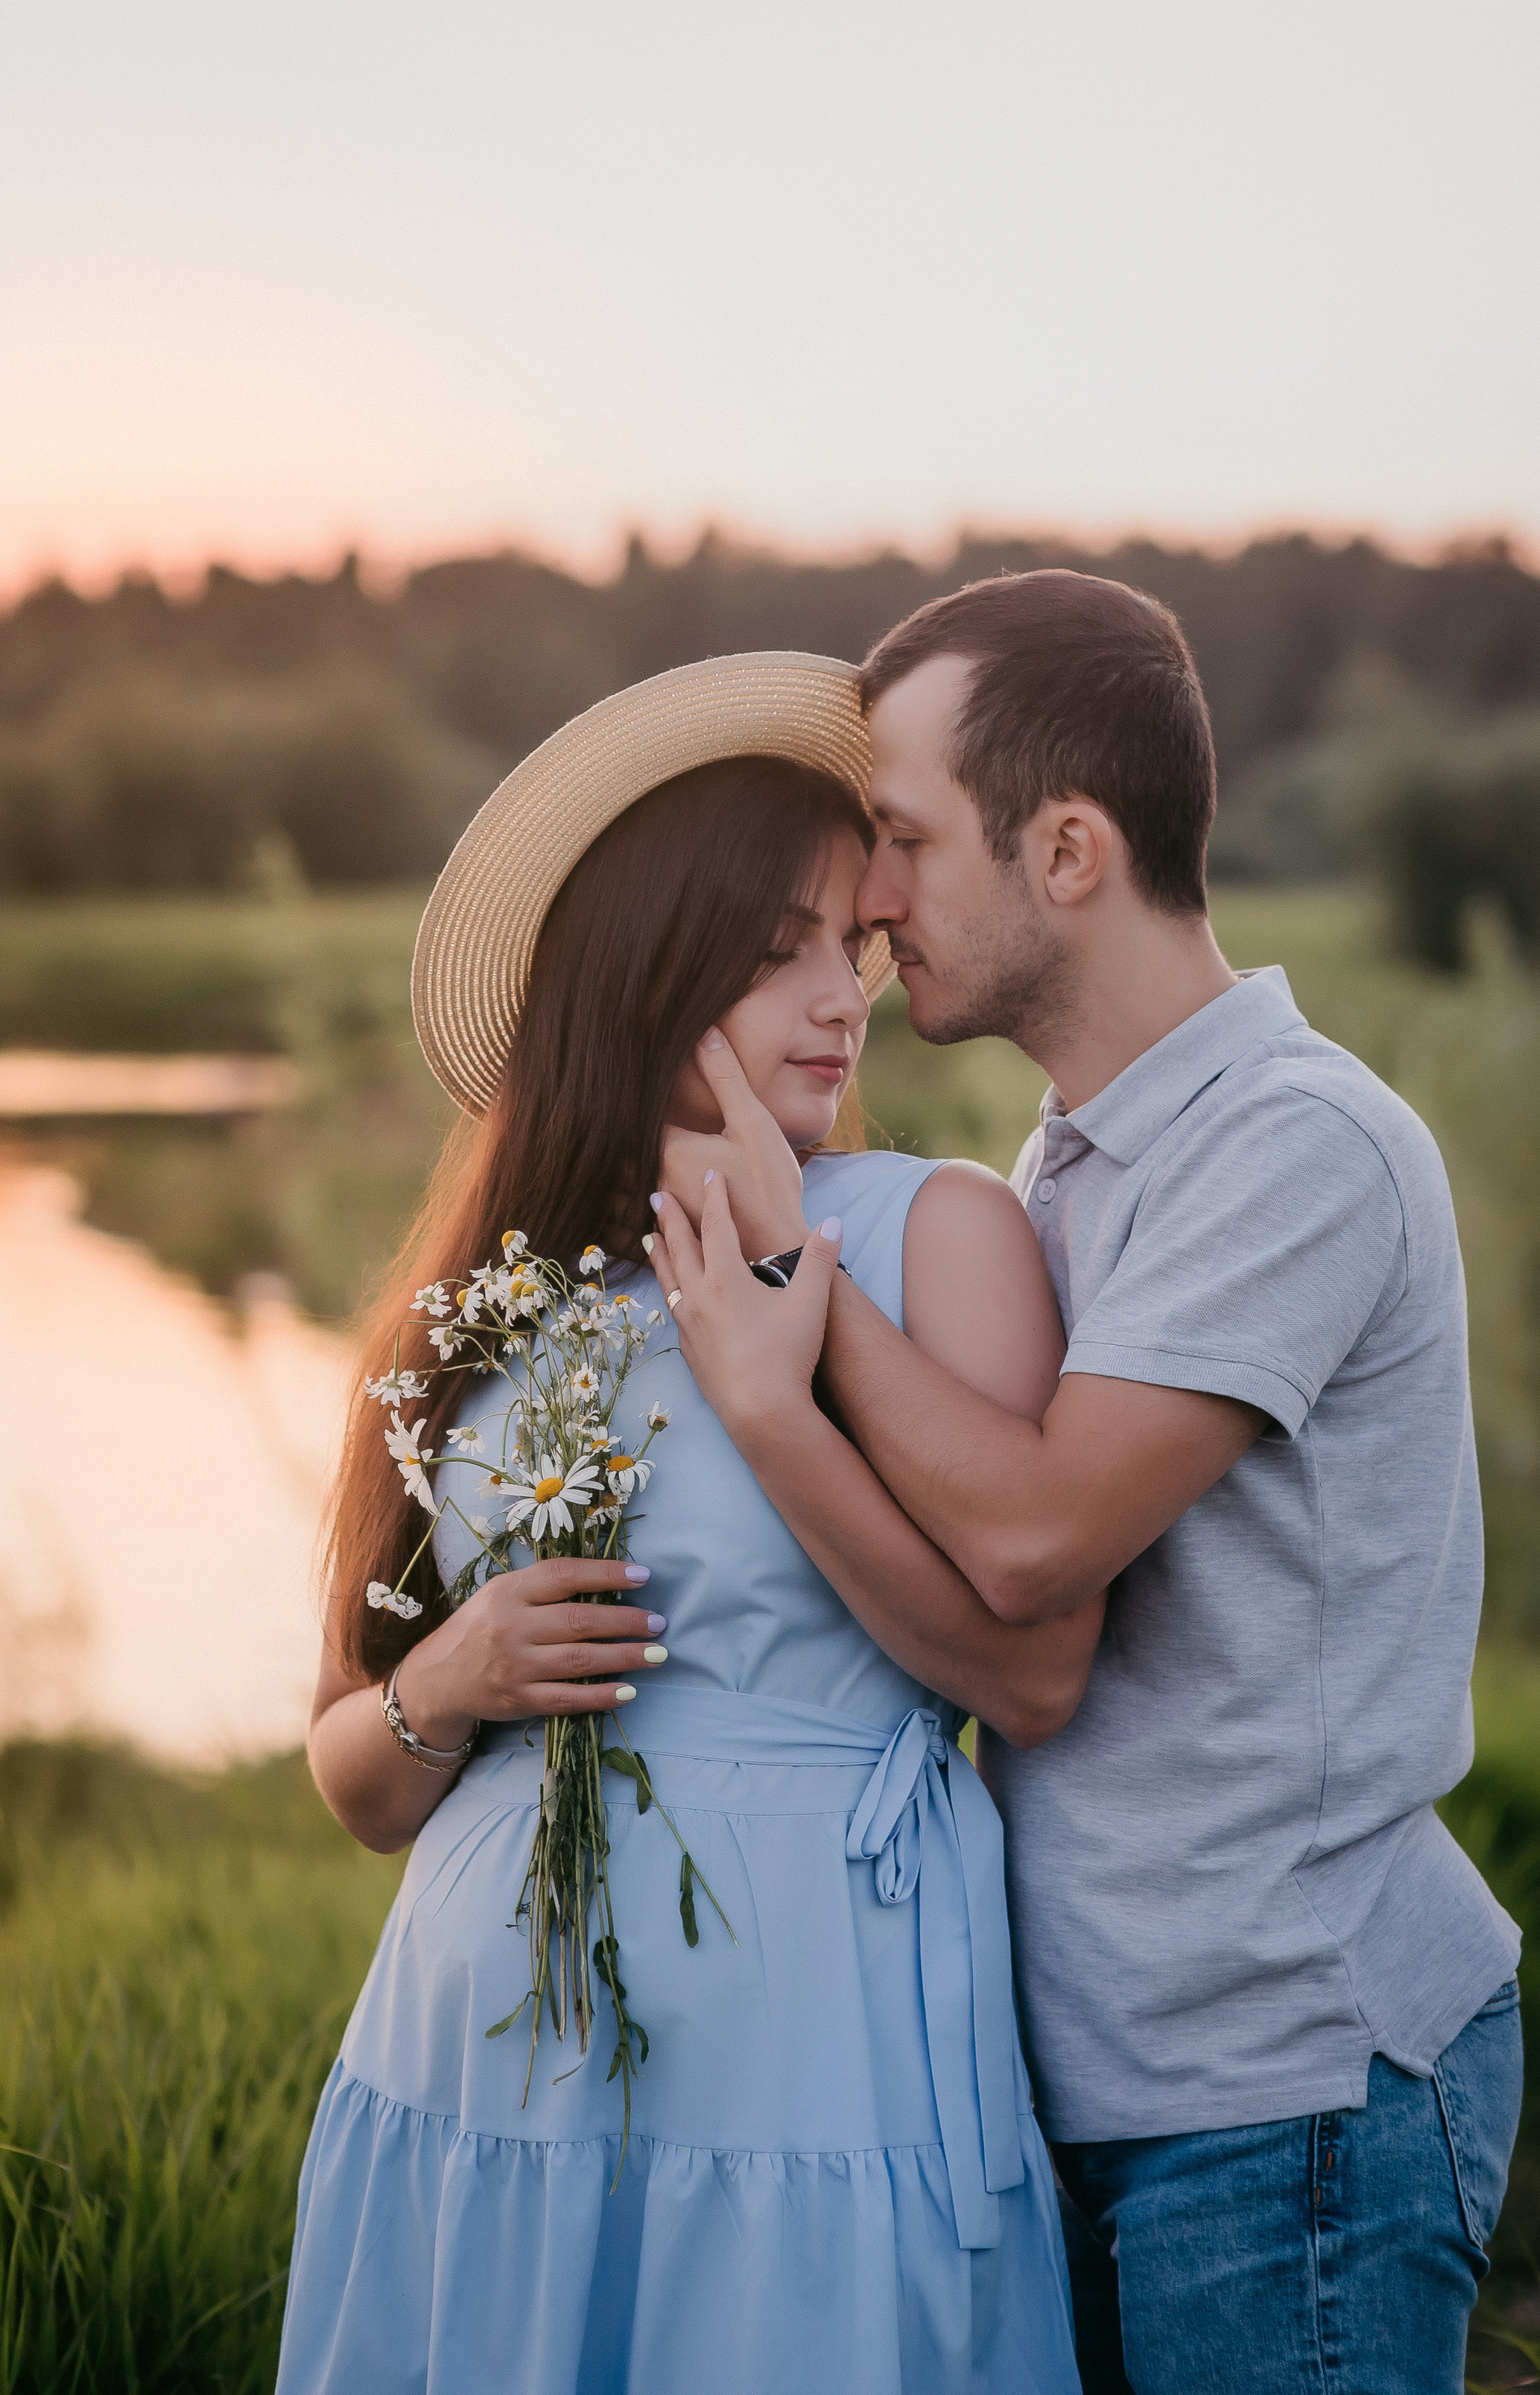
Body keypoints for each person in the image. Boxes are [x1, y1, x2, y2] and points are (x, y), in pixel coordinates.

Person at [647, 572, 1525, 2395]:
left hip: (1286, 2089)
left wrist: (786, 1288)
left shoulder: (1293, 1142)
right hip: (1101, 2080)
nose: (869, 906)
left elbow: (1039, 1537)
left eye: (897, 840)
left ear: (1062, 850)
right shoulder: (1070, 1162)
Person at [276, 653, 1091, 2395]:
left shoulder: (933, 1235)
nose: (837, 1000)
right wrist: (458, 1682)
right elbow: (351, 1776)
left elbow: (1029, 1676)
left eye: (849, 948)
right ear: (643, 980)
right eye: (771, 952)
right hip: (483, 2058)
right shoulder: (473, 1317)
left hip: (819, 2039)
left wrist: (780, 1373)